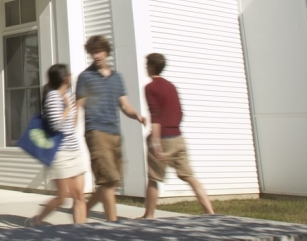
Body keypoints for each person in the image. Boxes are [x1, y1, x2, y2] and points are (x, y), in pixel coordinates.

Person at [76, 35, 148, 222]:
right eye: (93, 52)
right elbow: (79, 105)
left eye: (99, 52)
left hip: (114, 133)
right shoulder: (85, 77)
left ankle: (83, 209)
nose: (96, 56)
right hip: (96, 131)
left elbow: (124, 105)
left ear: (106, 52)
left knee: (114, 180)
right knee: (107, 181)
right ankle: (112, 223)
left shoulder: (117, 78)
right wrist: (69, 129)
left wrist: (137, 116)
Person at [141, 53, 215, 218]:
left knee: (154, 178)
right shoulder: (171, 86)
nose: (145, 67)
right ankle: (210, 212)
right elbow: (180, 112)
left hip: (162, 139)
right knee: (189, 176)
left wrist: (155, 143)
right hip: (178, 138)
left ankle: (149, 216)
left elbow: (156, 115)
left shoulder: (150, 87)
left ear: (151, 66)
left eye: (147, 64)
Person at [31, 64, 87, 225]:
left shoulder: (67, 94)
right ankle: (38, 220)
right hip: (60, 153)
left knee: (79, 196)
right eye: (69, 74)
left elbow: (72, 124)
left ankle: (81, 233)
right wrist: (69, 107)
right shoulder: (53, 97)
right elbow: (56, 125)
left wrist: (73, 107)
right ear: (65, 78)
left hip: (74, 150)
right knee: (62, 197)